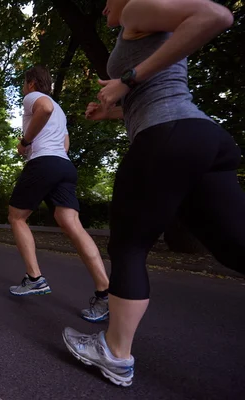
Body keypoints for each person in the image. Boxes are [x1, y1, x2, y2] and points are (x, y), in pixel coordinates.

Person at [62, 0, 241, 387]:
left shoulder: (134, 10)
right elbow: (151, 96)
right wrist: (112, 109)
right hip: (200, 137)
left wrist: (126, 80)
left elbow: (218, 16)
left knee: (127, 246)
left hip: (170, 134)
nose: (104, 5)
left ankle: (114, 353)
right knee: (234, 248)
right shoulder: (144, 26)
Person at [8, 66, 111, 322]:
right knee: (72, 224)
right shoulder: (61, 111)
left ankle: (34, 278)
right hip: (64, 165)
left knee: (17, 217)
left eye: (24, 83)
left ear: (31, 83)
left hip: (43, 163)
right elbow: (65, 143)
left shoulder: (34, 98)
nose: (23, 88)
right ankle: (104, 292)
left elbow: (44, 109)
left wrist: (25, 142)